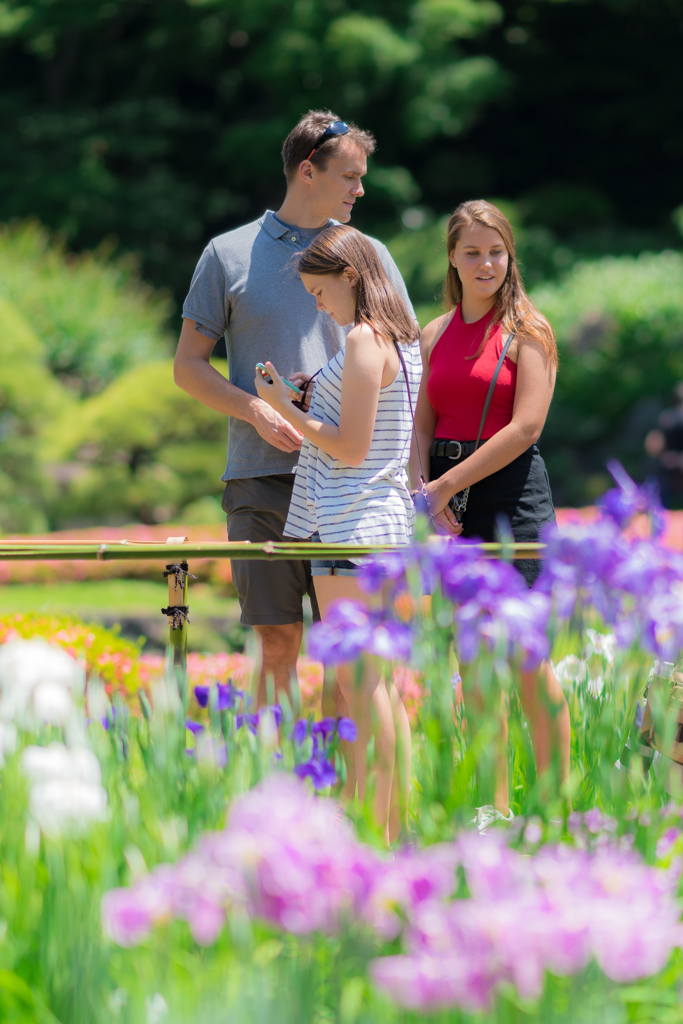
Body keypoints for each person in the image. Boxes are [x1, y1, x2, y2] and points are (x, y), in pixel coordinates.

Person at [174, 110, 414, 710]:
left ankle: (343, 797)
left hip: (352, 485)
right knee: (277, 643)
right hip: (262, 476)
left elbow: (406, 357)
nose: (361, 189)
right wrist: (256, 409)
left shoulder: (372, 254)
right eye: (350, 176)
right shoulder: (226, 255)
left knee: (348, 653)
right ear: (309, 170)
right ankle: (277, 794)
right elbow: (188, 367)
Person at [254, 225, 420, 843]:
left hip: (350, 522)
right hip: (375, 522)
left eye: (320, 293)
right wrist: (308, 396)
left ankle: (388, 828)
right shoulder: (399, 340)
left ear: (350, 277)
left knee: (360, 681)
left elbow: (349, 446)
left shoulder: (361, 339)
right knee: (371, 682)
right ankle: (387, 818)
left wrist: (287, 407)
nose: (319, 306)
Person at [413, 199, 571, 826]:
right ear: (452, 256)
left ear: (510, 257)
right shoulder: (432, 332)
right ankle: (495, 811)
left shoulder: (529, 329)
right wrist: (424, 487)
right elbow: (420, 424)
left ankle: (556, 811)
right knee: (473, 663)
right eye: (472, 252)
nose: (485, 263)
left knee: (526, 659)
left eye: (496, 252)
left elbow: (527, 426)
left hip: (512, 502)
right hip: (450, 502)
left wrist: (445, 485)